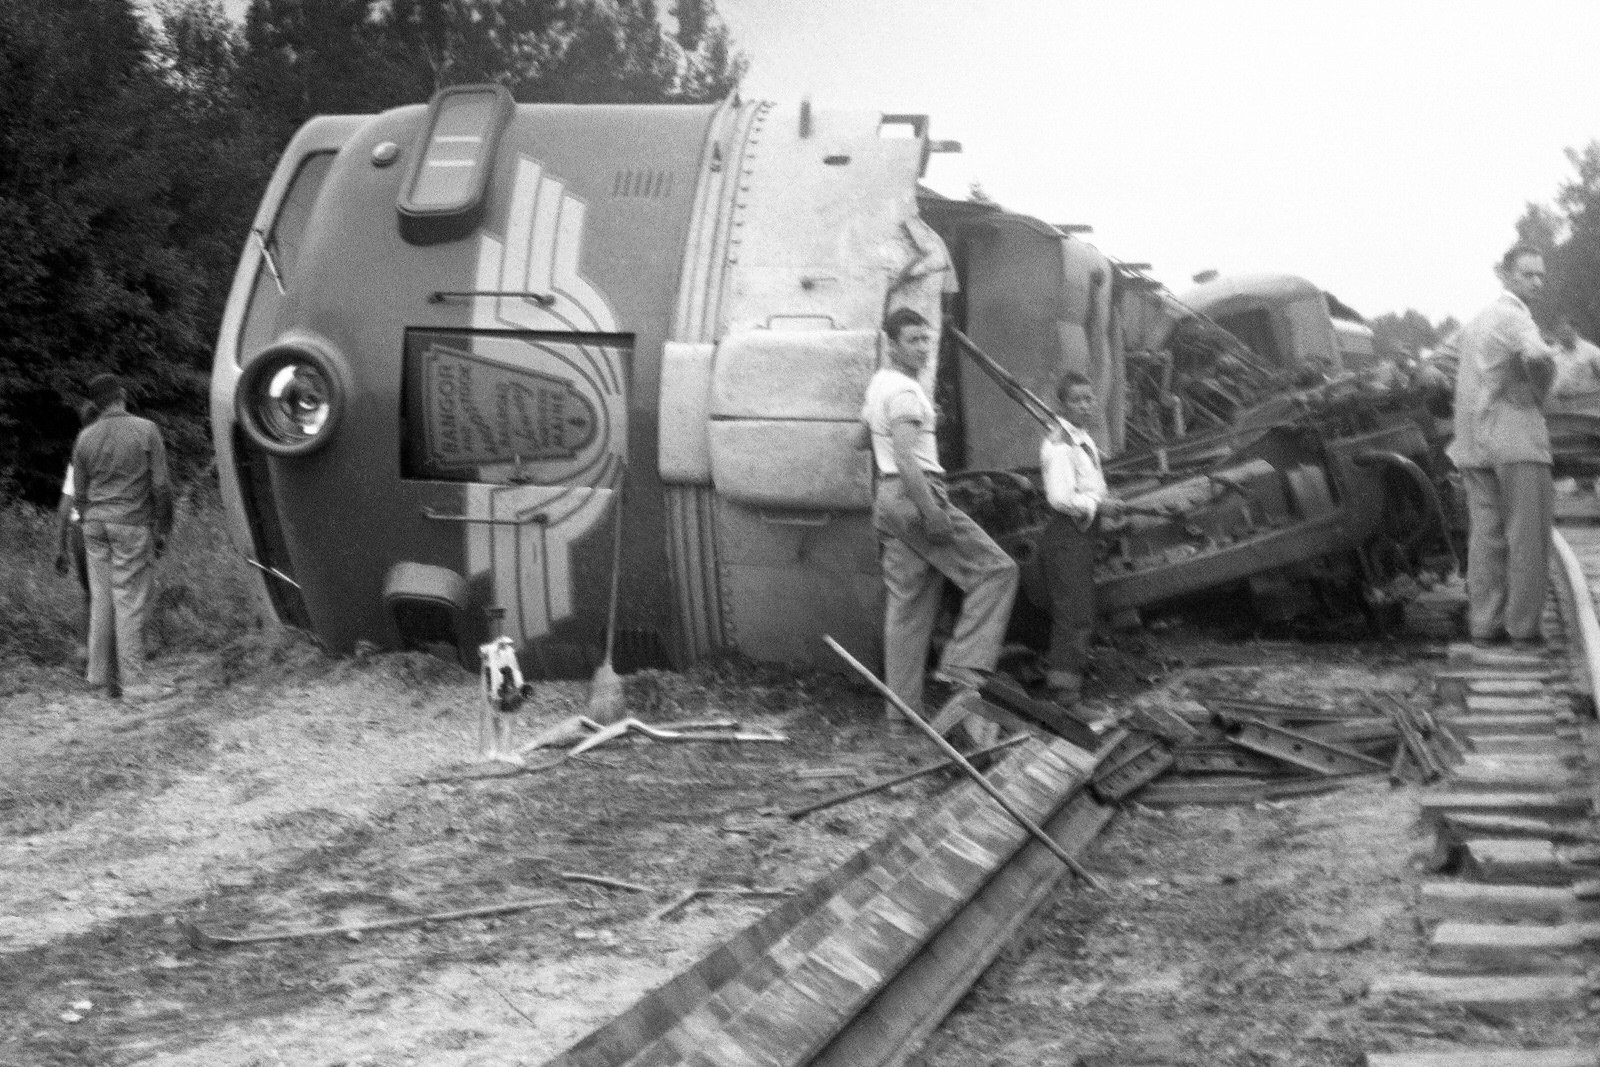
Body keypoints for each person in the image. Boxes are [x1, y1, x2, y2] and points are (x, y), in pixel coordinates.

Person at [857, 307, 1019, 731]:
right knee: (997, 570)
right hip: (917, 492)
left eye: (926, 339)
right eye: (913, 340)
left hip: (888, 498)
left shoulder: (879, 386)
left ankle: (900, 719)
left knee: (908, 610)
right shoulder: (906, 393)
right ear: (891, 344)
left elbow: (861, 439)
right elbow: (908, 458)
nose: (923, 348)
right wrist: (932, 512)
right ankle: (963, 667)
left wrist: (894, 436)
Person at [1446, 244, 1556, 651]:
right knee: (1527, 536)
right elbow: (1541, 357)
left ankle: (1484, 625)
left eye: (1540, 275)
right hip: (1517, 443)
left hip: (1474, 444)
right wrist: (1536, 395)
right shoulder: (1516, 317)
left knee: (1485, 537)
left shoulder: (1476, 321)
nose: (1537, 283)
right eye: (1528, 274)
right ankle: (1524, 629)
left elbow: (1439, 359)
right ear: (1507, 276)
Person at [72, 373, 174, 699]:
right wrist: (163, 527)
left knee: (102, 600)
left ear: (95, 404)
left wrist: (92, 517)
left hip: (94, 526)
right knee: (128, 600)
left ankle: (101, 681)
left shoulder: (84, 438)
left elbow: (80, 493)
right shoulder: (146, 430)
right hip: (131, 523)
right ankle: (135, 683)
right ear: (123, 395)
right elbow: (160, 485)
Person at [1037, 373, 1124, 706]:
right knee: (1074, 614)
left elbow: (1087, 487)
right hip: (1066, 536)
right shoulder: (1060, 446)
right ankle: (1066, 696)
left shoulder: (1082, 440)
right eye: (1078, 400)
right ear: (1062, 405)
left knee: (1080, 610)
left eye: (1090, 399)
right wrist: (1099, 505)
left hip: (1081, 536)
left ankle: (1067, 689)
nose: (1087, 406)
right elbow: (1060, 499)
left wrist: (1103, 501)